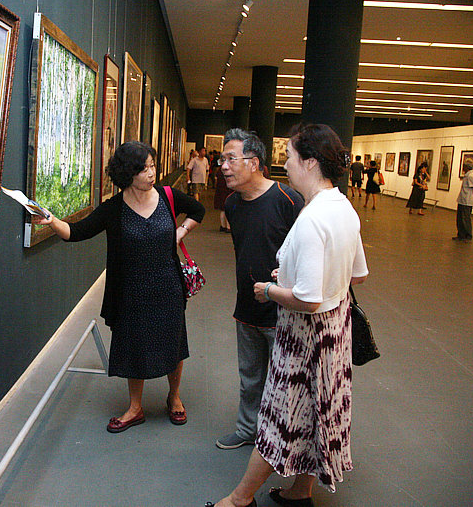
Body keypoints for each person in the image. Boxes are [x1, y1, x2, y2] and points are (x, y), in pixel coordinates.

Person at [208, 123, 368, 507]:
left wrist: (270, 289)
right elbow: (357, 274)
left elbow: (309, 300)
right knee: (315, 412)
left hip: (304, 335)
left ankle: (239, 499)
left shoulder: (311, 217)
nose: (287, 165)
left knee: (279, 416)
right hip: (334, 331)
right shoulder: (343, 207)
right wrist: (296, 275)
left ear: (310, 162)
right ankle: (301, 490)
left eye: (291, 157)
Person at [36, 141, 205, 433]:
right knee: (133, 344)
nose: (152, 173)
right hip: (130, 290)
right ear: (128, 173)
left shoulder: (167, 196)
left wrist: (180, 231)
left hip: (167, 285)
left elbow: (198, 209)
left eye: (153, 166)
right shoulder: (114, 209)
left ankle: (174, 397)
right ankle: (135, 407)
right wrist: (52, 222)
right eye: (144, 169)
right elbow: (77, 232)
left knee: (173, 342)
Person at [214, 128, 304, 451]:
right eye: (222, 159)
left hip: (283, 311)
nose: (223, 165)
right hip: (247, 309)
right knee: (250, 378)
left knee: (285, 383)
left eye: (230, 159)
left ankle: (278, 438)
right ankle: (247, 428)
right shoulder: (233, 205)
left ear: (254, 164)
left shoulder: (288, 201)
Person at [454, 160, 473, 241]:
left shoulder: (471, 176)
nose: (463, 168)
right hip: (462, 199)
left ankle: (467, 235)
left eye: (464, 166)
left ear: (467, 167)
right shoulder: (467, 175)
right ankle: (461, 234)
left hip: (467, 201)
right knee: (460, 218)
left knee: (465, 218)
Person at [213, 168, 232, 233]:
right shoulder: (230, 170)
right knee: (228, 210)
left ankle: (223, 226)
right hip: (228, 192)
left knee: (222, 210)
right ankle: (228, 227)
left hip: (220, 192)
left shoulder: (219, 170)